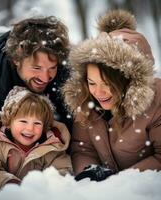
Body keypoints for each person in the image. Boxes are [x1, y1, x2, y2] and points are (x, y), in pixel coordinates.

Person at [0, 16, 72, 180]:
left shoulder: (64, 77)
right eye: (36, 68)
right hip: (1, 158)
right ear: (16, 59)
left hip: (49, 159)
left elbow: (75, 126)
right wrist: (0, 152)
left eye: (52, 68)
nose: (45, 76)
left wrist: (50, 153)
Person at [62, 9, 161, 182]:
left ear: (129, 80)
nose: (98, 92)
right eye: (92, 83)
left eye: (107, 84)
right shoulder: (85, 100)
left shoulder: (157, 99)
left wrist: (119, 182)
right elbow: (83, 148)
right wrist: (90, 172)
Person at [0, 86, 72, 190]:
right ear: (8, 122)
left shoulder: (52, 147)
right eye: (23, 121)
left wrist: (50, 184)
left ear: (44, 126)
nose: (30, 128)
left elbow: (63, 170)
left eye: (37, 123)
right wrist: (8, 182)